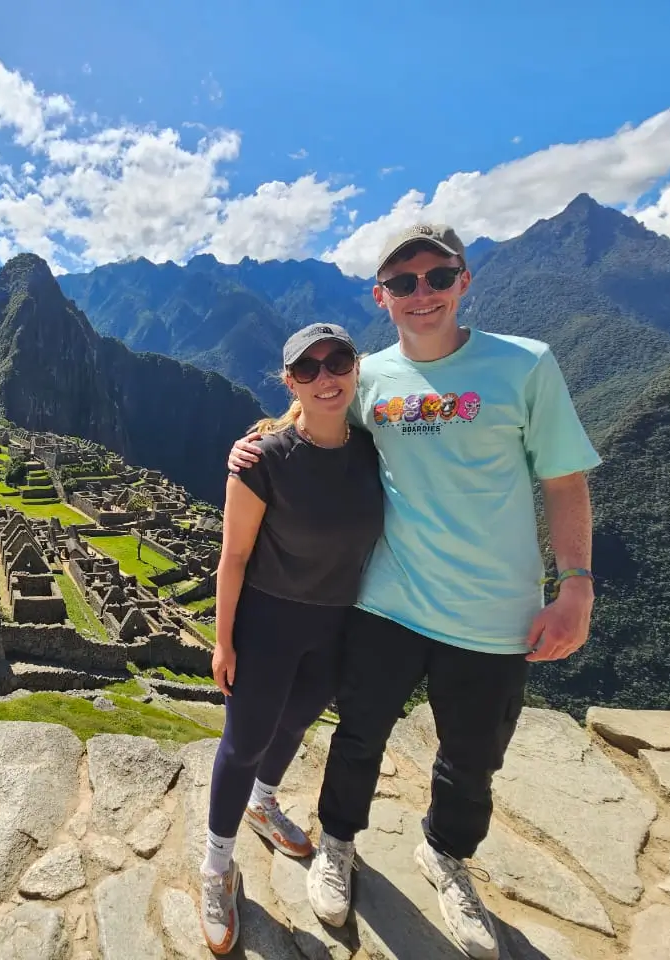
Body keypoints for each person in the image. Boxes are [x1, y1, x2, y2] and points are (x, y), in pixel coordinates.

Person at [227, 224, 599, 959]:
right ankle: (337, 842)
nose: (420, 293)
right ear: (383, 296)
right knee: (359, 734)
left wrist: (576, 585)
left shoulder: (525, 366)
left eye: (437, 277)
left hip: (495, 612)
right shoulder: (373, 380)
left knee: (473, 755)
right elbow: (318, 415)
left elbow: (563, 479)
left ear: (465, 281)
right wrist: (259, 436)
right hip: (387, 603)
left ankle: (446, 855)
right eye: (403, 282)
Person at [200, 323, 385, 955]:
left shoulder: (372, 448)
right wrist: (223, 643)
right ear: (290, 382)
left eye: (338, 362)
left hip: (335, 623)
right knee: (245, 740)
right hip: (269, 622)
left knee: (298, 721)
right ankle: (217, 866)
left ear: (356, 370)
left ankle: (263, 805)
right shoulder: (264, 459)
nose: (326, 377)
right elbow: (233, 556)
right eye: (308, 369)